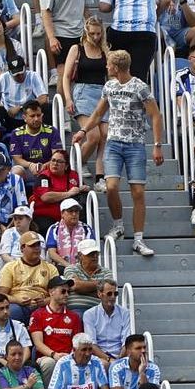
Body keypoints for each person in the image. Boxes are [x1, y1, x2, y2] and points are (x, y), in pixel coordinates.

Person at [74, 50, 163, 258]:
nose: (106, 67)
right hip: (113, 143)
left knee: (138, 192)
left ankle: (139, 239)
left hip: (135, 145)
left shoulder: (140, 87)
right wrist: (83, 130)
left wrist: (157, 144)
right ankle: (118, 225)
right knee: (111, 186)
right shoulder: (109, 86)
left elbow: (155, 116)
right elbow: (97, 113)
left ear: (115, 67)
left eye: (108, 65)